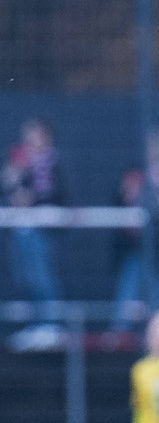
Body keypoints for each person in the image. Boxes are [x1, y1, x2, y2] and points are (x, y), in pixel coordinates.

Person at [110, 130, 159, 336]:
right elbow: (123, 200)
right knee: (132, 286)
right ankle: (120, 331)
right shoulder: (136, 173)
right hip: (137, 245)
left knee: (157, 292)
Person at [2, 118, 65, 351]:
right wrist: (11, 179)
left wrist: (32, 199)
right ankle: (35, 325)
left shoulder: (52, 162)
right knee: (27, 278)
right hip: (22, 228)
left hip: (42, 228)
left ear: (45, 137)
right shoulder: (21, 161)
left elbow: (53, 193)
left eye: (34, 135)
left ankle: (51, 325)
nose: (29, 141)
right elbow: (11, 188)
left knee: (42, 277)